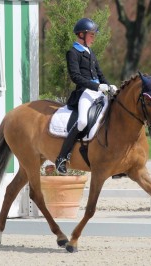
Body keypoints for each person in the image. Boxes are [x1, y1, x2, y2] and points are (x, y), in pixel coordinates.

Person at [55, 18, 118, 175]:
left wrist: (109, 86)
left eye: (94, 35)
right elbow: (75, 76)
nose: (93, 38)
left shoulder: (91, 52)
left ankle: (116, 160)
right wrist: (96, 86)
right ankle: (62, 157)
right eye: (91, 35)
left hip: (98, 92)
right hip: (84, 92)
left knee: (113, 117)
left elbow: (100, 74)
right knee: (82, 121)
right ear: (81, 35)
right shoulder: (73, 52)